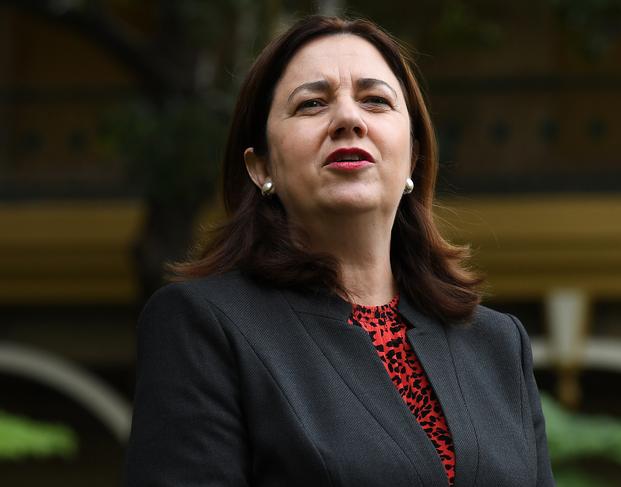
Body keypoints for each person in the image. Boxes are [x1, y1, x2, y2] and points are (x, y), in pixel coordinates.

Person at [124, 15, 554, 487]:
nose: (349, 119)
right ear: (260, 165)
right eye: (312, 103)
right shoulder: (203, 325)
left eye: (375, 100)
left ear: (412, 155)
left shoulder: (496, 343)